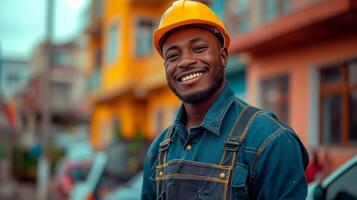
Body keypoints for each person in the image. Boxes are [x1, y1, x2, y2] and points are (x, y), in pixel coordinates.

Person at [142, 0, 309, 199]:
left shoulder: (269, 141)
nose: (185, 61)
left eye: (198, 48)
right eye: (173, 55)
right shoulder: (159, 150)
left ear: (223, 57)